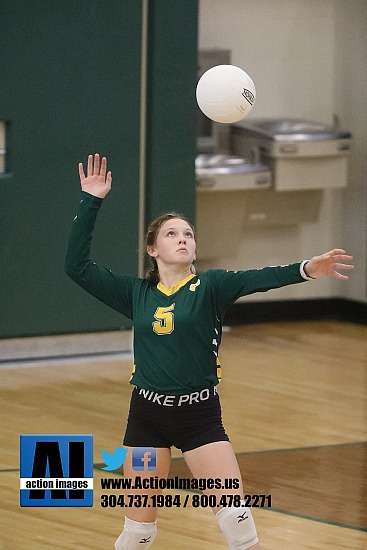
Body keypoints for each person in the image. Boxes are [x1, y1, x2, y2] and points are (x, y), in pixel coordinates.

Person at [65, 154, 354, 550]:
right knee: (137, 534)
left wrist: (307, 268)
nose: (183, 238)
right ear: (152, 249)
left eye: (188, 233)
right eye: (171, 234)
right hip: (147, 415)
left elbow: (260, 278)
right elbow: (76, 267)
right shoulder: (135, 294)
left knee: (237, 520)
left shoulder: (212, 287)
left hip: (198, 416)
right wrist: (91, 200)